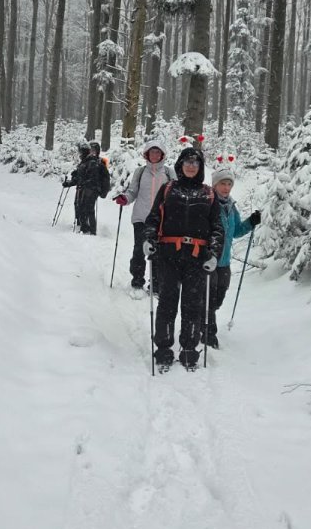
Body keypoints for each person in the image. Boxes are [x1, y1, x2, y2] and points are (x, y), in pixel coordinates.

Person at [143, 143, 224, 370]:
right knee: (167, 303)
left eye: (195, 162)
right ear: (180, 164)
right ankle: (163, 348)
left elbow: (217, 228)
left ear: (201, 167)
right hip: (168, 254)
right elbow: (153, 218)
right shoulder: (168, 189)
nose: (191, 166)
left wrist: (214, 254)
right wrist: (149, 239)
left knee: (192, 305)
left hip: (197, 258)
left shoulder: (208, 193)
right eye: (187, 162)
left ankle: (189, 348)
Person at [208, 161, 261, 348]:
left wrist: (250, 222)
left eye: (229, 184)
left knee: (218, 298)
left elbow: (237, 230)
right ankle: (208, 333)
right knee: (208, 298)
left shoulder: (231, 206)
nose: (226, 187)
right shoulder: (208, 203)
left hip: (225, 262)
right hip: (208, 260)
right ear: (215, 185)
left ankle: (203, 319)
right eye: (222, 183)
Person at [113, 138, 174, 292]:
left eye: (158, 152)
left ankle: (156, 284)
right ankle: (137, 280)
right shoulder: (140, 172)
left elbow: (175, 194)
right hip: (141, 217)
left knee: (158, 252)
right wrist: (125, 198)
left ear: (162, 155)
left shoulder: (169, 172)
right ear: (147, 154)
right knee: (139, 250)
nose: (155, 155)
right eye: (152, 152)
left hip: (161, 219)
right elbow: (132, 192)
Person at [74, 140, 111, 234]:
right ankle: (83, 226)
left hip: (92, 189)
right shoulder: (87, 160)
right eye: (92, 149)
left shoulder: (100, 161)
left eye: (94, 150)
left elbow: (104, 176)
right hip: (84, 188)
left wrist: (102, 191)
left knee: (88, 209)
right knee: (80, 206)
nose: (93, 152)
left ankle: (90, 230)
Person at [62, 141, 90, 227]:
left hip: (85, 189)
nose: (80, 154)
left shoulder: (87, 163)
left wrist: (74, 179)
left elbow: (82, 177)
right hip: (81, 188)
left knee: (81, 206)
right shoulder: (83, 162)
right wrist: (70, 181)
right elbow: (78, 178)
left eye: (81, 152)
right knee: (78, 205)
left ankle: (82, 224)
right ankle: (80, 223)